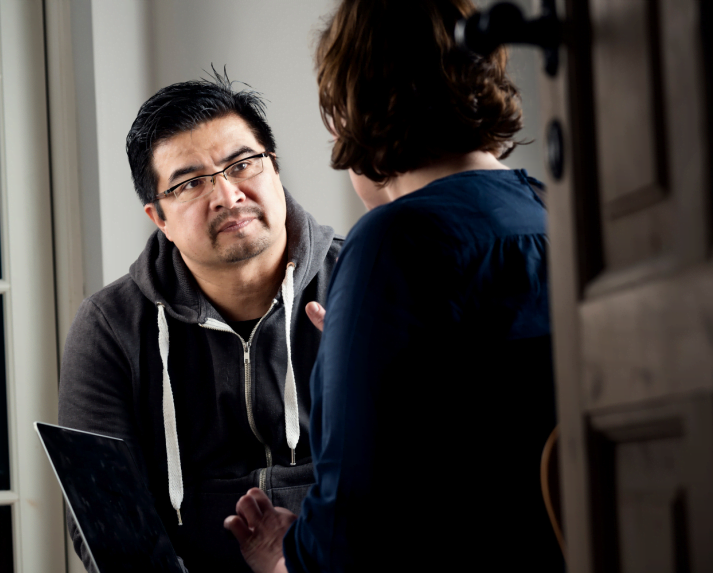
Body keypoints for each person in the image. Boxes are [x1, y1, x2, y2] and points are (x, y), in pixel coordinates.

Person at [224, 0, 562, 571]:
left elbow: (356, 530)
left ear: (350, 107)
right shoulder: (552, 209)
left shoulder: (394, 242)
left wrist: (287, 558)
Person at [58, 72, 343, 572]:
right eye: (190, 183)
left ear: (274, 168)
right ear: (158, 218)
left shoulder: (358, 285)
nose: (227, 195)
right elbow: (107, 523)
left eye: (242, 164)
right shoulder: (110, 327)